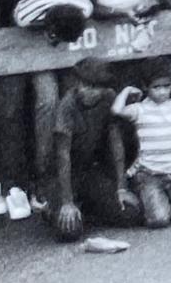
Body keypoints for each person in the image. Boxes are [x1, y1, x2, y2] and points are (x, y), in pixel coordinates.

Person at [47, 57, 143, 243]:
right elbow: (63, 156)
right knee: (69, 231)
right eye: (84, 84)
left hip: (91, 171)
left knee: (132, 214)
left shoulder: (109, 98)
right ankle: (54, 207)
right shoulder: (67, 105)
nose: (87, 91)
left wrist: (121, 187)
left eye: (94, 87)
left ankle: (89, 207)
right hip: (64, 175)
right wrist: (67, 201)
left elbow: (116, 143)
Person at [110, 60, 171, 229]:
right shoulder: (140, 109)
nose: (163, 92)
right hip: (149, 175)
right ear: (147, 89)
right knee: (159, 220)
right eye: (156, 88)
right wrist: (126, 91)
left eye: (166, 87)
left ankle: (170, 201)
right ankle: (151, 199)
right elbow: (117, 110)